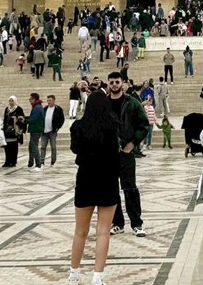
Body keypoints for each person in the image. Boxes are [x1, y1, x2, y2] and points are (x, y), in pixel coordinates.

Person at [69, 91, 121, 285]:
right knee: (103, 231)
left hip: (85, 179)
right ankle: (97, 276)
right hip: (107, 180)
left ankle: (74, 273)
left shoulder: (78, 126)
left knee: (80, 231)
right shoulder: (112, 126)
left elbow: (75, 149)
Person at [106, 72, 149, 237]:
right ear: (108, 84)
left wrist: (132, 144)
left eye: (117, 82)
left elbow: (143, 125)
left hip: (126, 152)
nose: (115, 85)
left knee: (130, 188)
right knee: (112, 190)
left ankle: (137, 223)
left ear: (123, 83)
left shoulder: (131, 103)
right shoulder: (104, 103)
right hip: (109, 154)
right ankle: (117, 223)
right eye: (112, 82)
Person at [40, 94, 66, 168]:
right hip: (44, 131)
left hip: (53, 131)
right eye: (48, 100)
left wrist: (58, 127)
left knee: (53, 146)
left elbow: (62, 119)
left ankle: (53, 161)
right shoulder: (45, 108)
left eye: (50, 100)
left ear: (54, 101)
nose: (48, 102)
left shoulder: (58, 109)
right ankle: (42, 161)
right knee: (43, 146)